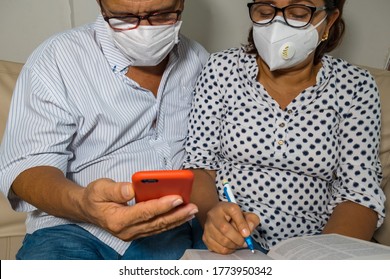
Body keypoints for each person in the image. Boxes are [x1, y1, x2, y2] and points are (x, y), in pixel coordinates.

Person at [0, 0, 209, 260]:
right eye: (123, 17)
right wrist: (85, 205)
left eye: (161, 15)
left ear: (181, 3)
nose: (142, 30)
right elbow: (27, 166)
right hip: (72, 229)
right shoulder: (57, 58)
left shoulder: (200, 60)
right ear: (101, 6)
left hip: (175, 229)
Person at [185, 0, 386, 255]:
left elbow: (359, 194)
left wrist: (320, 257)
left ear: (330, 21)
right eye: (265, 12)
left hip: (314, 242)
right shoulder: (222, 69)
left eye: (299, 13)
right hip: (230, 239)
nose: (278, 25)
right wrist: (212, 218)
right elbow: (199, 165)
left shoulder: (355, 86)